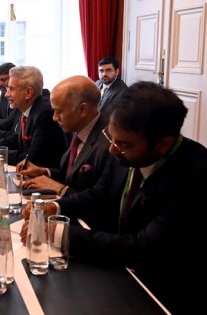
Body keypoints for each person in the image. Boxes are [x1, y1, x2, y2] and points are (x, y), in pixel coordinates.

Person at [20, 82, 203, 314]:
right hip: (120, 273)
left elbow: (143, 249)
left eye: (123, 144)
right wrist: (54, 207)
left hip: (164, 292)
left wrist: (57, 232)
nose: (112, 150)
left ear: (163, 145)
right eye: (111, 137)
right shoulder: (125, 150)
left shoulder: (193, 177)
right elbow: (99, 193)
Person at [18, 76, 110, 197]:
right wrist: (45, 172)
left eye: (59, 111)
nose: (54, 118)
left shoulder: (108, 143)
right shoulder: (78, 128)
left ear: (82, 109)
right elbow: (71, 177)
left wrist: (61, 189)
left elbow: (102, 200)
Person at [0, 66, 68, 167]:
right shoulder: (27, 108)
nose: (6, 94)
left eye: (11, 89)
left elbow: (33, 159)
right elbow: (17, 139)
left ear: (28, 93)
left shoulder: (45, 114)